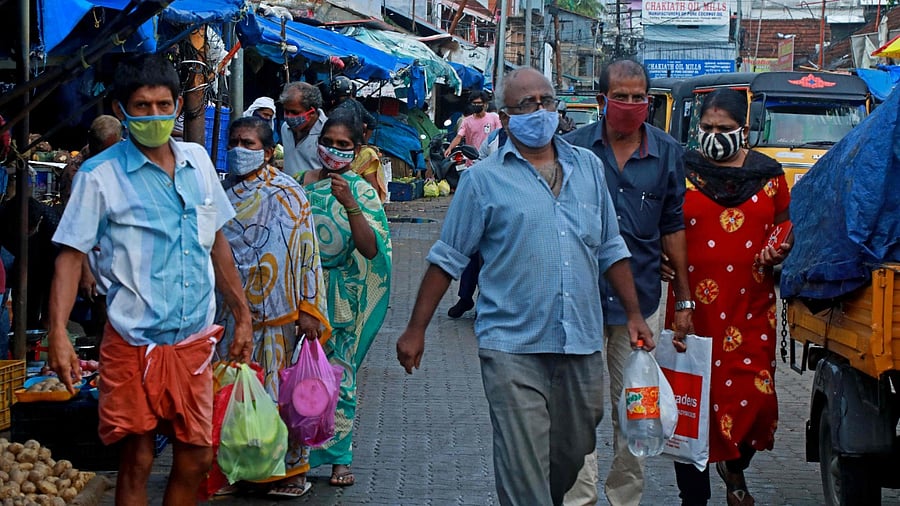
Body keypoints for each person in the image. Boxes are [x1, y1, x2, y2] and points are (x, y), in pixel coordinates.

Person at [396, 67, 654, 506]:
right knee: (522, 462)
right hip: (512, 346)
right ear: (507, 117)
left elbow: (611, 248)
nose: (540, 110)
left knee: (573, 450)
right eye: (527, 104)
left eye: (546, 101)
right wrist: (415, 329)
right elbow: (448, 259)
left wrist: (634, 315)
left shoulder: (588, 168)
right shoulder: (482, 180)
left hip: (581, 342)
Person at [46, 54, 254, 506]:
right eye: (142, 106)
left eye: (163, 105)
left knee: (197, 456)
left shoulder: (198, 161)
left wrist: (242, 313)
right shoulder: (98, 177)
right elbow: (69, 257)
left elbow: (217, 240)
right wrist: (59, 333)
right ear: (122, 111)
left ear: (179, 105)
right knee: (136, 458)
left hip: (194, 341)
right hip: (132, 341)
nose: (154, 116)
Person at [562, 58, 692, 506]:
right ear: (602, 100)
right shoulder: (572, 150)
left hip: (642, 302)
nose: (632, 105)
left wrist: (685, 301)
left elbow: (673, 225)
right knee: (579, 408)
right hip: (577, 300)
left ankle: (625, 498)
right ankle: (579, 499)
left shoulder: (668, 151)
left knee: (636, 408)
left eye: (640, 97)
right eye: (622, 96)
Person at [664, 88, 790, 506]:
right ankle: (693, 497)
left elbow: (784, 226)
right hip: (690, 307)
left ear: (745, 129)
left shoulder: (770, 176)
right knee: (690, 402)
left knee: (755, 399)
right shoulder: (680, 170)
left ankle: (735, 464)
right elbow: (655, 224)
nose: (714, 134)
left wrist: (778, 248)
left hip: (750, 308)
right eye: (707, 127)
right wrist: (655, 259)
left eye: (724, 128)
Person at [215, 116, 330, 497]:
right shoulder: (219, 195)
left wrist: (310, 308)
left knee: (282, 397)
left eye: (248, 144)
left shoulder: (288, 193)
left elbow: (306, 252)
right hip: (231, 317)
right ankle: (241, 468)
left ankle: (290, 472)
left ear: (267, 152)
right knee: (235, 397)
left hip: (281, 317)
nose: (239, 150)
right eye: (234, 142)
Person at [295, 112, 392, 487]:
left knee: (340, 378)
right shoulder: (303, 183)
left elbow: (371, 249)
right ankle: (298, 457)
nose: (333, 150)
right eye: (329, 142)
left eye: (343, 145)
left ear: (356, 150)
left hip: (341, 298)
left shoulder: (363, 191)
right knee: (300, 376)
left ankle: (339, 458)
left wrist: (350, 203)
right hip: (303, 294)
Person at [60, 115, 123, 206]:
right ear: (90, 139)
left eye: (111, 150)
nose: (105, 155)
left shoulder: (127, 159)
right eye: (101, 150)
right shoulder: (74, 172)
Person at [280, 81, 328, 178]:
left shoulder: (328, 132)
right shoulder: (285, 128)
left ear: (312, 112)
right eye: (286, 111)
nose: (289, 117)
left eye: (294, 112)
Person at [444, 91, 501, 158]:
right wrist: (450, 148)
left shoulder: (494, 118)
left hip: (490, 158)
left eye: (479, 103)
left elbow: (500, 134)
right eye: (474, 103)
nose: (476, 105)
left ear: (485, 104)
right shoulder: (467, 121)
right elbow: (458, 137)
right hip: (473, 159)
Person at [329, 76, 376, 143]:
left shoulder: (339, 110)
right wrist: (365, 141)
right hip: (357, 144)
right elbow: (372, 121)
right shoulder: (357, 104)